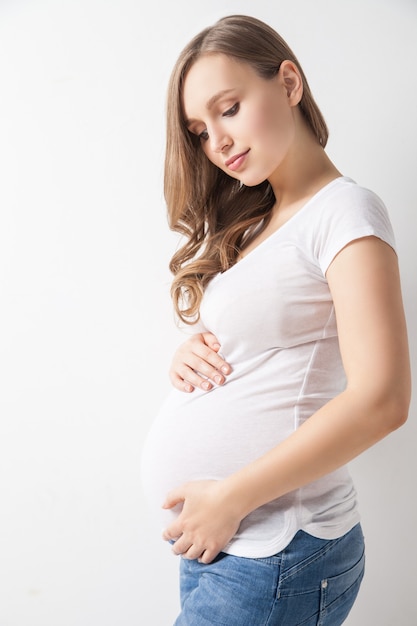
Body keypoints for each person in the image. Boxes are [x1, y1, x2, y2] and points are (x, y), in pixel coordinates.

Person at [140, 14, 411, 626]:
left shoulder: (346, 211)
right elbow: (273, 341)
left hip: (277, 546)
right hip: (232, 542)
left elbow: (384, 399)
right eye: (200, 130)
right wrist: (191, 354)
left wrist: (232, 498)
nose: (219, 142)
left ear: (288, 82)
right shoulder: (260, 225)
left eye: (229, 108)